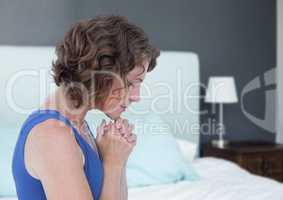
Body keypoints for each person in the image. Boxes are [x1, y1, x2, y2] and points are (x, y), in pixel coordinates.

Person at [12, 15, 160, 200]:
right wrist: (113, 164)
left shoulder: (79, 126)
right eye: (132, 83)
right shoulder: (53, 136)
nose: (136, 96)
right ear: (102, 73)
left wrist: (117, 160)